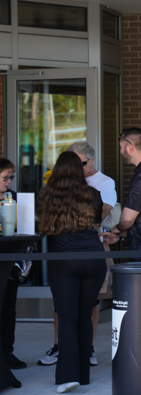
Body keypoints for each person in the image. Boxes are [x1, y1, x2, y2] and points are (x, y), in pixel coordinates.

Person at [39, 142, 116, 369]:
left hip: (63, 259)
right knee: (82, 313)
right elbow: (96, 221)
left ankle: (68, 374)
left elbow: (44, 228)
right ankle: (82, 370)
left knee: (67, 314)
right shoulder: (91, 193)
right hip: (92, 255)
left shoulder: (48, 195)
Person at [0, 159, 25, 371]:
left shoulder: (13, 197)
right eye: (5, 178)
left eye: (10, 178)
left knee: (9, 308)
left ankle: (7, 352)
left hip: (9, 262)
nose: (8, 182)